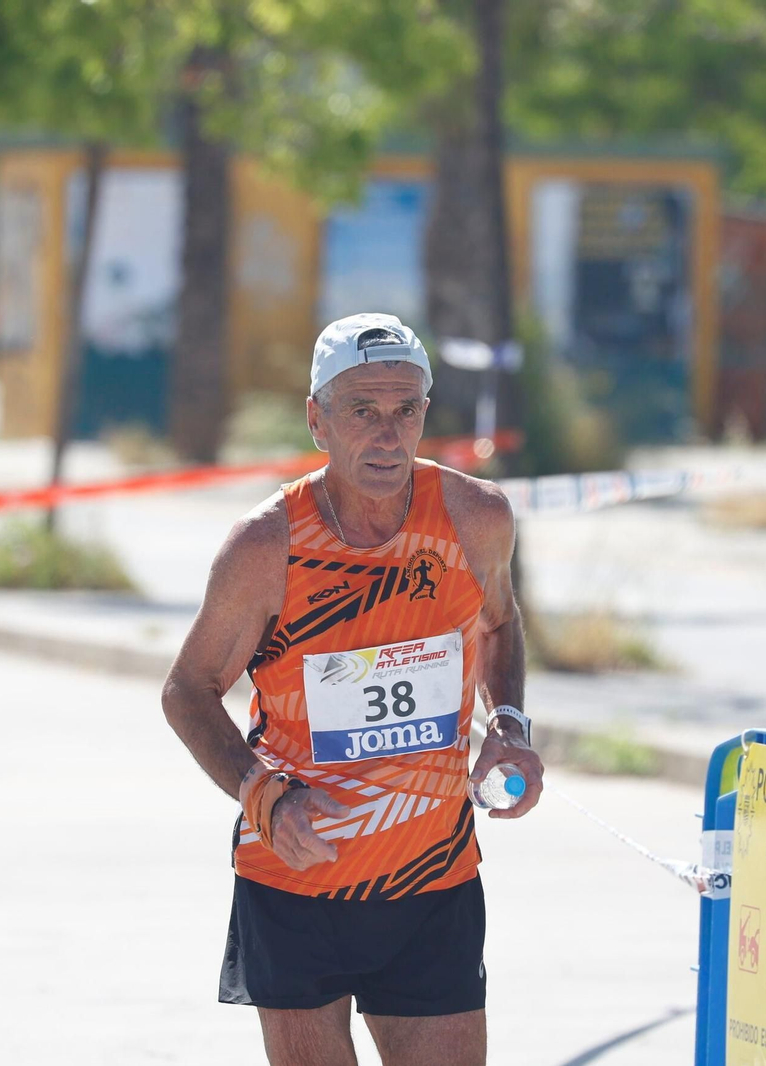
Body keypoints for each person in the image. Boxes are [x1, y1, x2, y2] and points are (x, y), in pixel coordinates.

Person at [161, 312, 544, 1066]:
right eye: (362, 411)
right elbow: (188, 690)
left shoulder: (476, 517)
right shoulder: (267, 545)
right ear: (317, 421)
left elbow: (499, 624)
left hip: (434, 875)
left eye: (406, 411)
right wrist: (260, 792)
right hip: (300, 878)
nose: (387, 434)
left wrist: (509, 726)